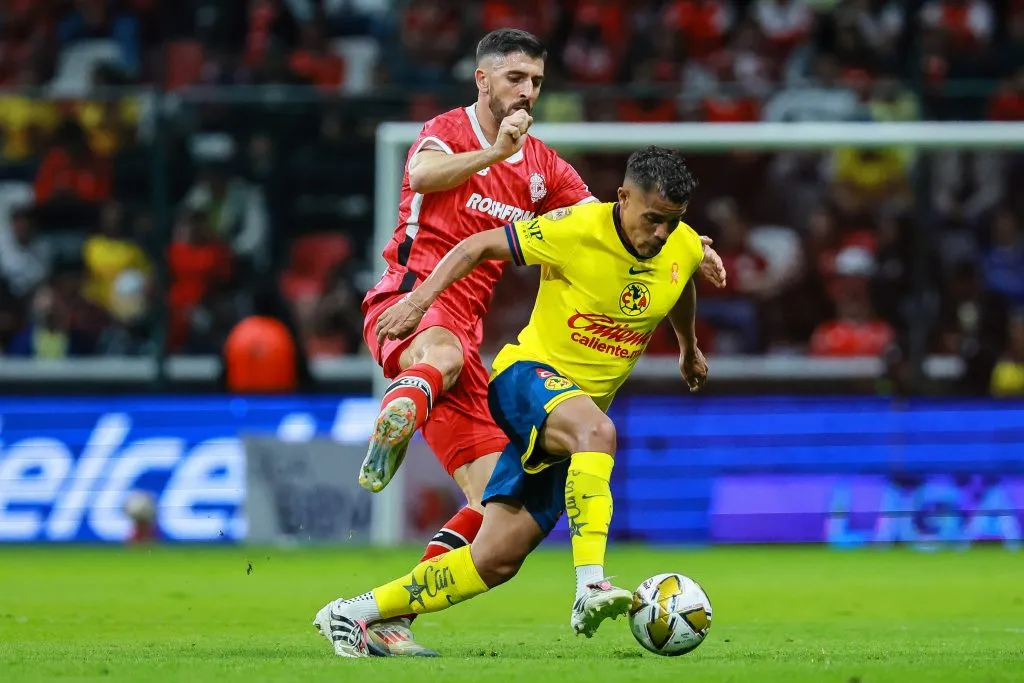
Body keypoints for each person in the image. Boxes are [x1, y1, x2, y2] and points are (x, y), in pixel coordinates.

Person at [358, 28, 726, 655]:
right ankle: (397, 414)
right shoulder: (447, 131)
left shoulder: (544, 166)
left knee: (486, 506)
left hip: (470, 336)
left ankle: (387, 617)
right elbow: (421, 176)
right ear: (483, 79)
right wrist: (491, 156)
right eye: (514, 78)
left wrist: (689, 247)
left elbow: (604, 223)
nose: (527, 92)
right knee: (441, 353)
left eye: (535, 82)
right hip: (413, 294)